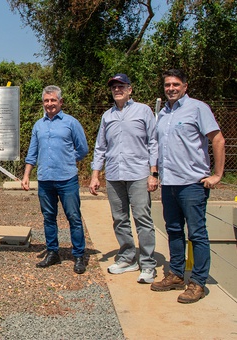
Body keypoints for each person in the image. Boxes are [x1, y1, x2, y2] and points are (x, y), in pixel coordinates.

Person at [150, 69, 225, 303]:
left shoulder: (198, 108)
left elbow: (218, 139)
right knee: (173, 230)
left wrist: (217, 175)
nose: (170, 88)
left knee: (197, 233)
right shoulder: (162, 114)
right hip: (169, 183)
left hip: (192, 184)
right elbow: (158, 147)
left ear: (185, 86)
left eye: (175, 84)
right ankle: (176, 274)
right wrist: (154, 173)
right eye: (167, 85)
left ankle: (198, 282)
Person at [89, 73, 158, 284]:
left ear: (130, 89)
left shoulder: (143, 111)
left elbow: (153, 143)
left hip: (138, 174)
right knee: (120, 219)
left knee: (142, 218)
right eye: (114, 87)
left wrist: (153, 173)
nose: (117, 90)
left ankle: (147, 264)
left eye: (121, 86)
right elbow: (100, 147)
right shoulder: (107, 116)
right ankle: (128, 258)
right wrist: (95, 175)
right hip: (114, 175)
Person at [21, 85, 89, 274]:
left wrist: (68, 159)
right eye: (46, 100)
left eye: (53, 100)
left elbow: (83, 149)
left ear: (60, 102)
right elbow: (32, 152)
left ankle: (78, 255)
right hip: (45, 179)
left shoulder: (71, 123)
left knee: (74, 217)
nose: (49, 104)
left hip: (67, 179)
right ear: (43, 103)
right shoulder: (38, 125)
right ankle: (52, 252)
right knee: (48, 218)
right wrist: (26, 175)